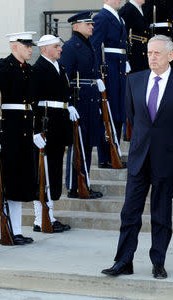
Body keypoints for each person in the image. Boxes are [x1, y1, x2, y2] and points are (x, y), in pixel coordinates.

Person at [101, 35, 173, 279]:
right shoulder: (134, 80)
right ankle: (123, 261)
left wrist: (172, 144)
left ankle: (158, 262)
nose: (151, 57)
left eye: (157, 53)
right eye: (148, 53)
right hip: (139, 157)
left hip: (167, 158)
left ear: (170, 55)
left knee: (161, 213)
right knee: (129, 212)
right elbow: (133, 118)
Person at [0, 31, 36, 245]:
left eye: (31, 46)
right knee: (3, 183)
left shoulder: (29, 70)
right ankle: (0, 232)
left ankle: (15, 230)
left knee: (19, 184)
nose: (30, 49)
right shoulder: (3, 67)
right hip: (8, 132)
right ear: (15, 46)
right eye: (26, 45)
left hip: (24, 131)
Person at [30, 34, 73, 233]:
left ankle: (50, 214)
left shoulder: (60, 67)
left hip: (59, 123)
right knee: (42, 172)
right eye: (56, 46)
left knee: (54, 170)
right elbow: (33, 102)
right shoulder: (38, 69)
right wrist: (36, 130)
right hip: (46, 124)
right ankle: (40, 218)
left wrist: (68, 107)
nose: (60, 49)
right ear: (44, 49)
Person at [59, 11, 104, 199]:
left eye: (92, 24)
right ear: (76, 26)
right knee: (77, 143)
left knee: (87, 143)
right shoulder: (71, 47)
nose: (92, 27)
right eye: (88, 24)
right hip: (79, 100)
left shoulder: (89, 44)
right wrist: (68, 103)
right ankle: (73, 185)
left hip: (91, 100)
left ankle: (84, 181)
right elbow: (65, 77)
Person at [91, 0, 128, 169]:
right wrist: (99, 73)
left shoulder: (118, 17)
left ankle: (116, 151)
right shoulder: (102, 17)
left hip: (119, 67)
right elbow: (95, 46)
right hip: (110, 70)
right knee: (108, 112)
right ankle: (105, 156)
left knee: (119, 110)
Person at [119, 0, 149, 73]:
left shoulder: (140, 8)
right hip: (134, 53)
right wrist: (125, 59)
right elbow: (122, 35)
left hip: (142, 50)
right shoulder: (127, 10)